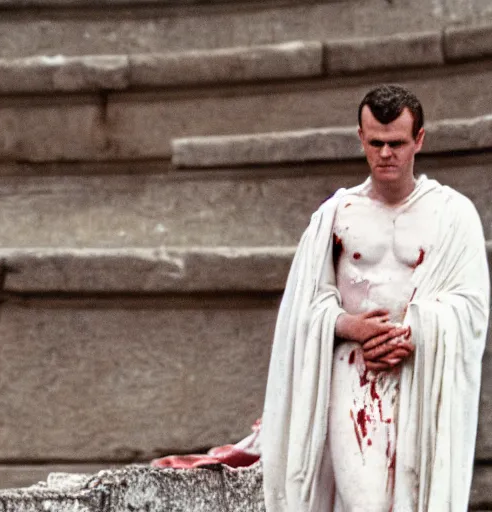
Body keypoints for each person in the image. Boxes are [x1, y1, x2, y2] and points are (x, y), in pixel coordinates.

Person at [154, 85, 490, 512]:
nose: (387, 154)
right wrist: (353, 326)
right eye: (376, 143)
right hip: (352, 374)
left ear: (419, 140)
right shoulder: (336, 215)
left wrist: (414, 333)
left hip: (420, 377)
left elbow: (472, 305)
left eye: (398, 143)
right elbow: (303, 305)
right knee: (365, 501)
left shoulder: (453, 214)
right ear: (361, 139)